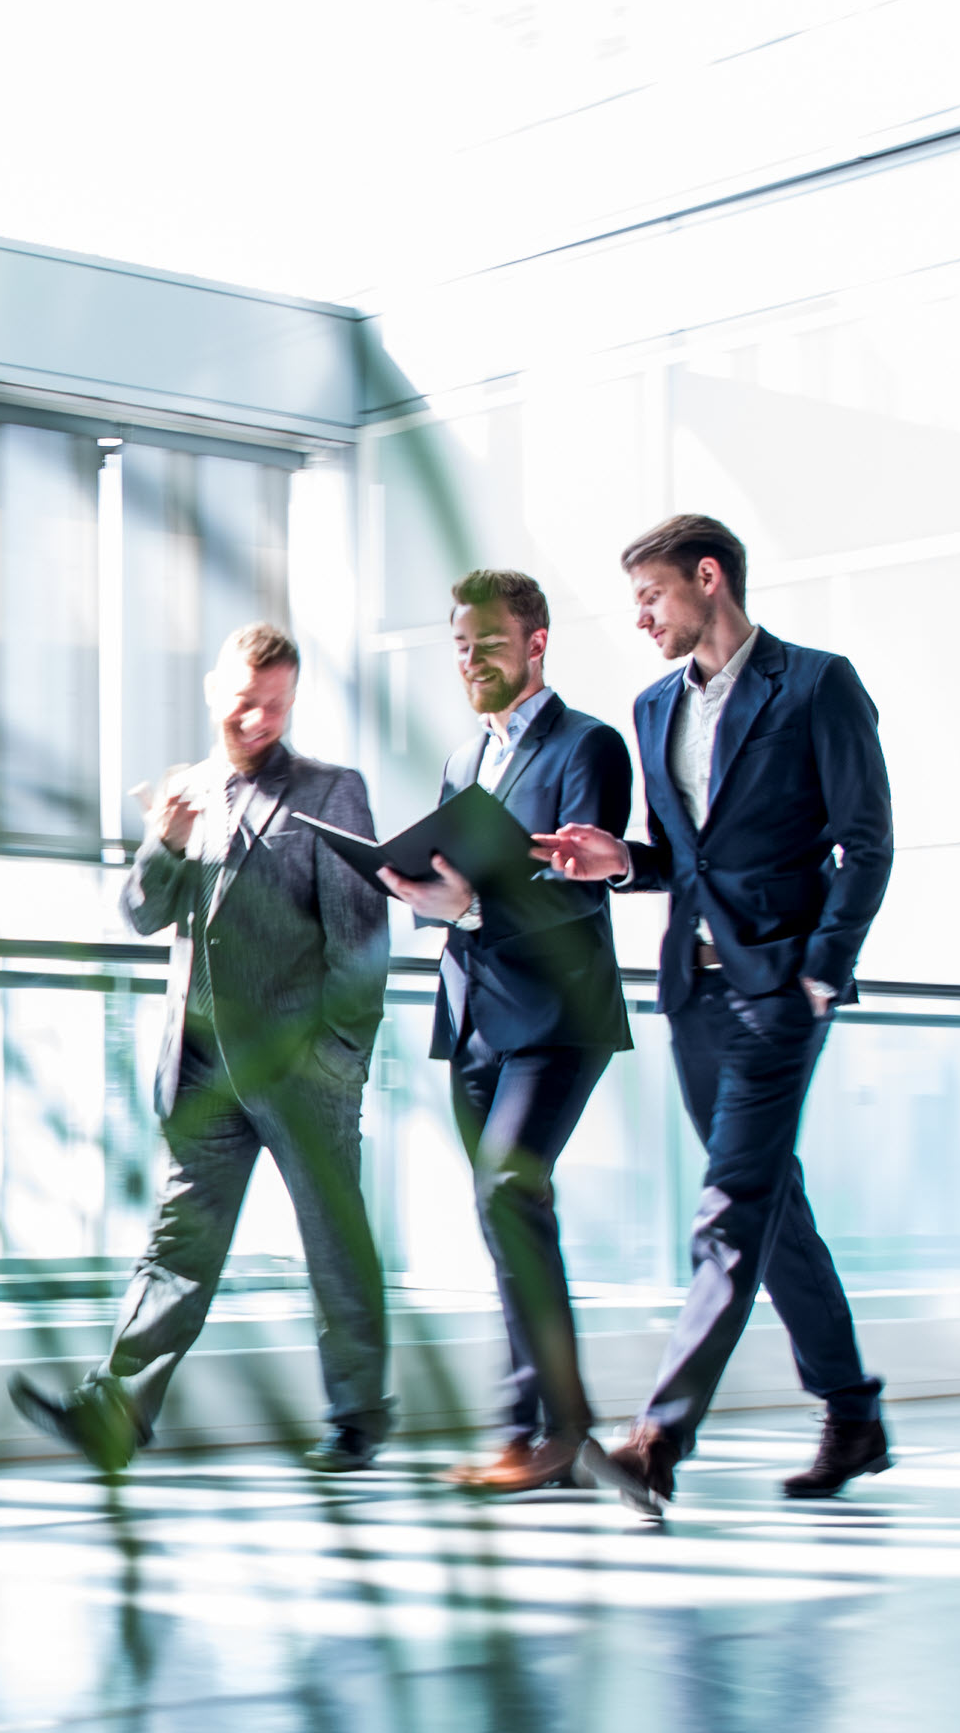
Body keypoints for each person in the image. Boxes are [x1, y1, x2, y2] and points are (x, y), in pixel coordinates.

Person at [534, 513, 892, 1518]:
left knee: (730, 1209)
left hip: (781, 991)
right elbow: (684, 860)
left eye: (651, 595)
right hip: (693, 993)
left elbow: (867, 842)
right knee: (773, 1209)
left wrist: (822, 971)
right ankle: (854, 1414)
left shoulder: (817, 684)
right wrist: (622, 864)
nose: (641, 617)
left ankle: (658, 1438)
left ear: (708, 576)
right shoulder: (654, 707)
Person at [9, 622, 394, 1473]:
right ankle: (116, 1410)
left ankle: (360, 1415)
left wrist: (339, 1057)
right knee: (180, 1240)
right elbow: (143, 914)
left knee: (333, 1239)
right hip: (204, 1067)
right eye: (246, 702)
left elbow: (363, 937)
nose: (260, 720)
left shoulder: (334, 792)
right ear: (216, 690)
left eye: (278, 706)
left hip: (302, 1070)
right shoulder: (190, 792)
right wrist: (167, 841)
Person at [378, 570, 634, 1494]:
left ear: (536, 643)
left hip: (559, 1017)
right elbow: (457, 881)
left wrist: (475, 905)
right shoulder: (462, 760)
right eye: (458, 645)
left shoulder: (589, 746)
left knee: (506, 1193)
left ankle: (546, 1431)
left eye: (487, 642)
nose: (469, 660)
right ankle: (548, 1432)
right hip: (475, 1018)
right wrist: (422, 896)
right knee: (507, 1218)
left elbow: (579, 886)